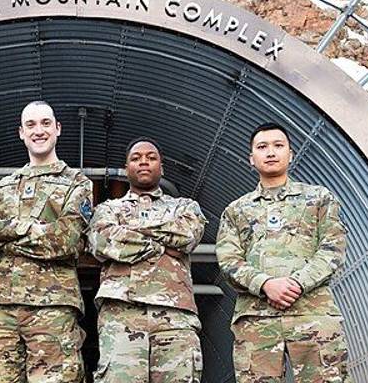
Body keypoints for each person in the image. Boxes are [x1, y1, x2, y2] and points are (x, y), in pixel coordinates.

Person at [0, 101, 93, 382]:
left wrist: (4, 239)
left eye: (46, 123)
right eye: (31, 125)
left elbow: (65, 239)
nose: (39, 131)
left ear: (58, 128)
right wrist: (28, 228)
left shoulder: (77, 183)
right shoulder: (3, 187)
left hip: (52, 306)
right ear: (21, 133)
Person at [215, 122, 350, 382]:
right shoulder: (236, 210)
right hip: (257, 318)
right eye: (262, 147)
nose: (270, 152)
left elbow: (333, 249)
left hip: (312, 313)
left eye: (278, 145)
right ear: (251, 158)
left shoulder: (319, 198)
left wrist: (296, 284)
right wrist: (265, 284)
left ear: (291, 154)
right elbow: (228, 260)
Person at [88, 137, 208, 382]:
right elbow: (102, 241)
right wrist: (162, 247)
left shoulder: (185, 207)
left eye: (151, 158)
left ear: (161, 168)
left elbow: (187, 236)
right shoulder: (107, 209)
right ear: (126, 169)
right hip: (122, 315)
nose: (144, 162)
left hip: (175, 316)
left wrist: (129, 230)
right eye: (136, 158)